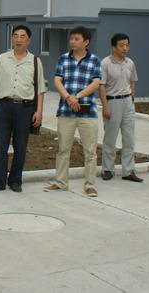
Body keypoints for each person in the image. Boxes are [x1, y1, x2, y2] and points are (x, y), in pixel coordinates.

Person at [0, 25, 46, 193]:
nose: (18, 40)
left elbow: (40, 89)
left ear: (29, 40)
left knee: (20, 145)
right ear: (12, 38)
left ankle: (15, 180)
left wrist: (39, 111)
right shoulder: (2, 59)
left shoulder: (35, 61)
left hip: (25, 109)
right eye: (15, 36)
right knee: (1, 144)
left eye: (22, 36)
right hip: (4, 106)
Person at [44, 27, 102, 196]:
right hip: (66, 112)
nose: (72, 42)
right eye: (71, 39)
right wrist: (68, 98)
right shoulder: (63, 59)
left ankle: (90, 184)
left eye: (77, 39)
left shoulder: (94, 61)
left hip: (87, 113)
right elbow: (57, 81)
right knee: (63, 149)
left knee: (90, 151)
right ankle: (61, 182)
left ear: (86, 42)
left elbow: (96, 83)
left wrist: (77, 96)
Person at [98, 33, 143, 183]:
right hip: (112, 102)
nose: (125, 48)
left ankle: (129, 170)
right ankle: (108, 169)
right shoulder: (105, 63)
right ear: (114, 47)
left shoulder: (130, 63)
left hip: (127, 102)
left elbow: (132, 82)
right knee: (110, 138)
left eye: (127, 45)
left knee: (129, 138)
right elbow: (102, 86)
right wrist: (105, 106)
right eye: (121, 45)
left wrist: (131, 100)